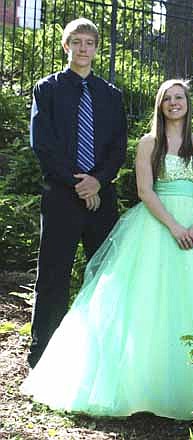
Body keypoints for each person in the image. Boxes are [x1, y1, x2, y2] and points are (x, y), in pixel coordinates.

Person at [21, 79, 193, 420]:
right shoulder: (148, 143)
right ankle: (143, 386)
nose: (174, 103)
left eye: (179, 97)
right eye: (167, 98)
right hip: (157, 225)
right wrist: (174, 226)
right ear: (160, 105)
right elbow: (145, 191)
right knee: (148, 303)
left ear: (188, 103)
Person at [27, 18, 128, 368]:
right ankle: (42, 356)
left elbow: (118, 148)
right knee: (54, 276)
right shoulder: (47, 89)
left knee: (103, 276)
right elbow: (43, 144)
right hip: (61, 196)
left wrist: (97, 181)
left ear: (97, 49)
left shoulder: (111, 96)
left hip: (102, 199)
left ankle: (100, 356)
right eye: (77, 42)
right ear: (66, 45)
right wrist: (78, 184)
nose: (84, 48)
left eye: (90, 43)